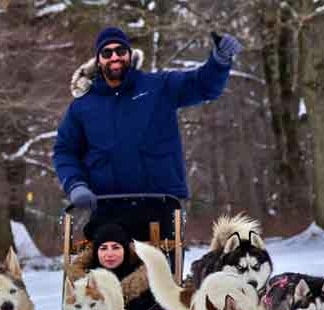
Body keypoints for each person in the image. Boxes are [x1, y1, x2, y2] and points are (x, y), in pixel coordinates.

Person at [52, 26, 243, 212]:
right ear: (98, 61)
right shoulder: (83, 105)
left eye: (120, 50)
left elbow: (202, 85)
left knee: (159, 246)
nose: (115, 57)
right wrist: (75, 185)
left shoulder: (159, 86)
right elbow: (64, 150)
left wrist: (219, 61)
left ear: (130, 54)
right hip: (106, 206)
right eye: (107, 53)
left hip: (161, 202)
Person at [48, 222, 167, 310]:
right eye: (103, 248)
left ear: (125, 250)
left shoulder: (145, 279)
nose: (109, 254)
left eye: (116, 247)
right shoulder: (83, 282)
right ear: (96, 252)